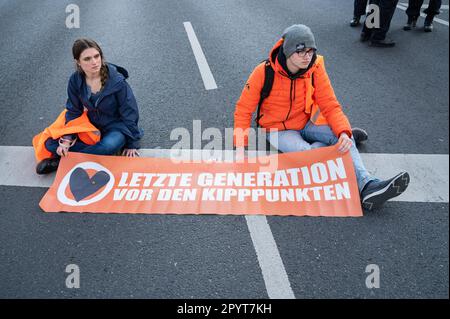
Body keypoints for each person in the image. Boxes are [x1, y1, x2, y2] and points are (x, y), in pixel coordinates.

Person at [233, 24, 409, 211]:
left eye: (311, 51)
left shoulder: (315, 68)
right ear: (288, 51)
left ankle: (367, 186)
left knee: (343, 137)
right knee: (306, 154)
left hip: (308, 121)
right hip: (278, 129)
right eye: (301, 51)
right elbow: (244, 110)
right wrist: (241, 147)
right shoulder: (263, 71)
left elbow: (330, 104)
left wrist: (342, 131)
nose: (307, 56)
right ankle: (341, 143)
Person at [35, 38, 143, 174]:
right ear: (78, 62)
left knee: (107, 146)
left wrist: (132, 144)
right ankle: (84, 156)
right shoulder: (75, 80)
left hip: (116, 127)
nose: (94, 62)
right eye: (87, 59)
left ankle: (61, 161)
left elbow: (130, 112)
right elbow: (73, 111)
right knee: (49, 143)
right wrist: (68, 138)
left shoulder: (117, 81)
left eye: (97, 56)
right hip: (90, 125)